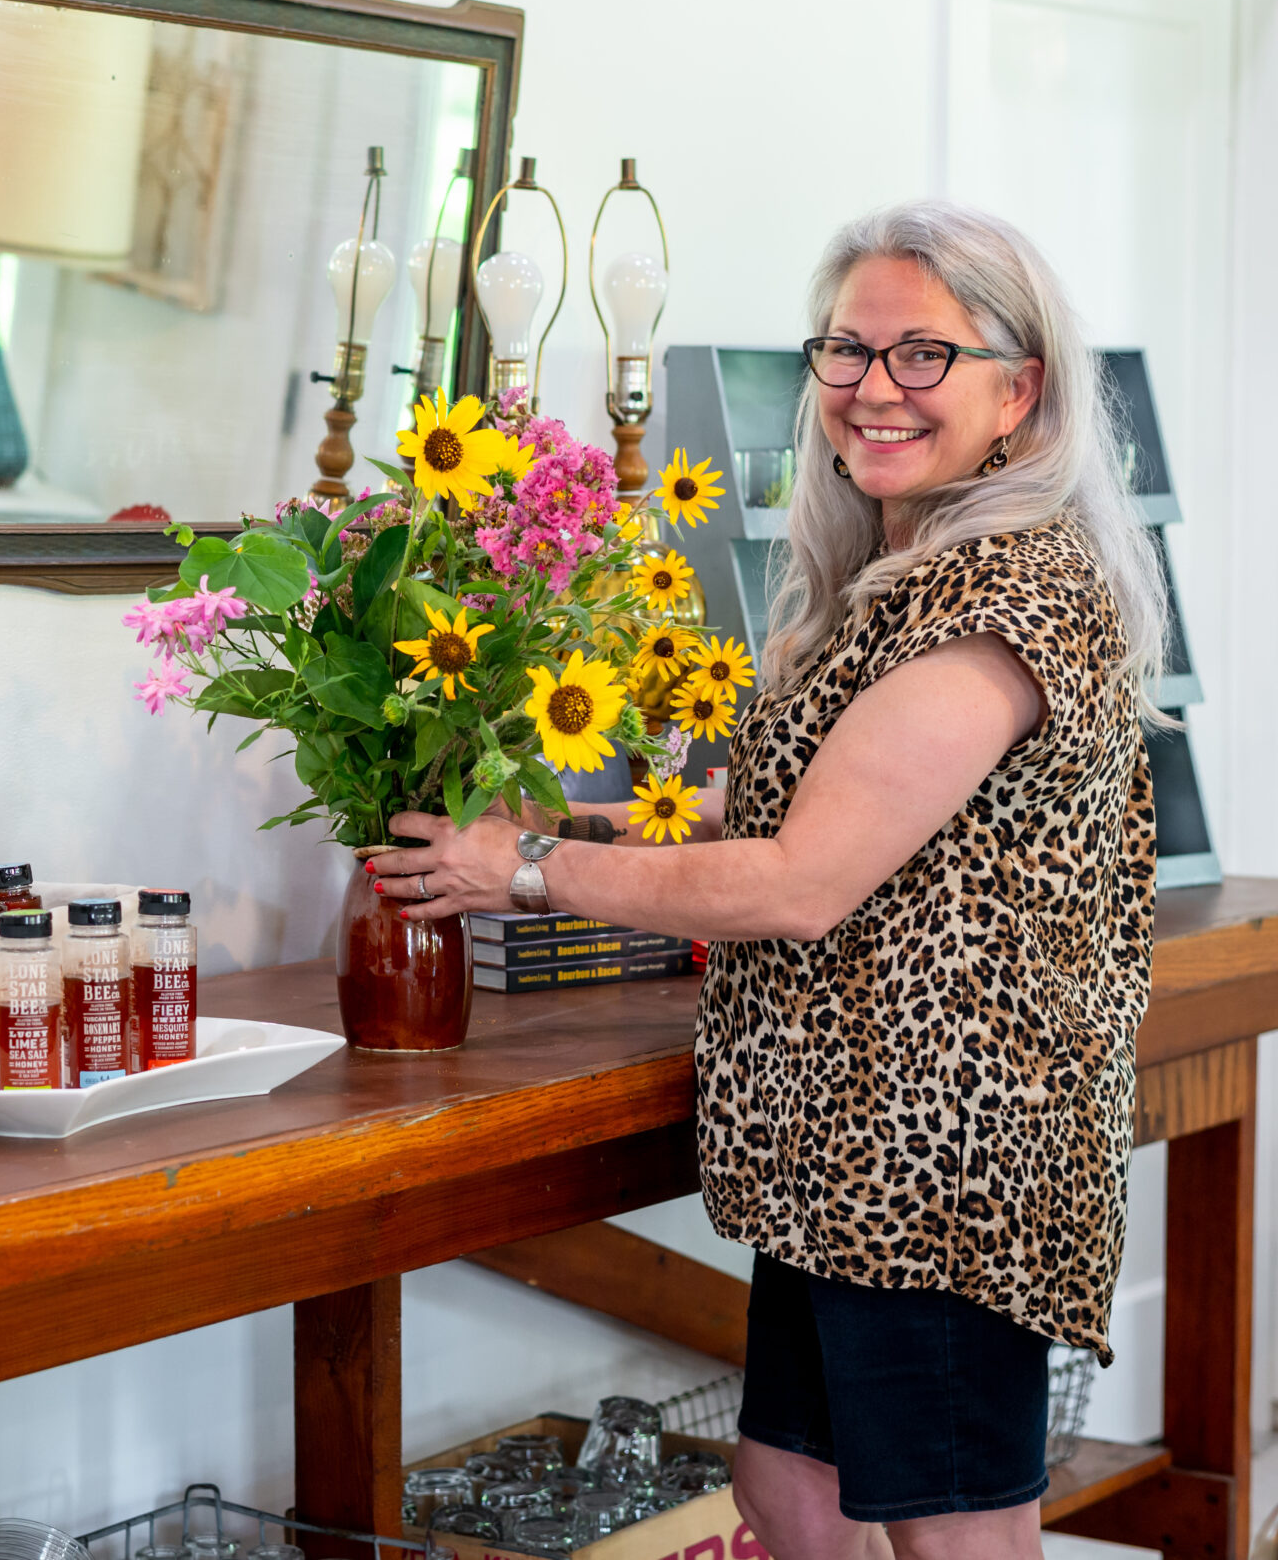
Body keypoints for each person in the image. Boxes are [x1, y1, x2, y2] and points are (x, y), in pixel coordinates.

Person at [370, 200, 1165, 1560]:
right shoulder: (905, 574)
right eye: (847, 350)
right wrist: (592, 813)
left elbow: (805, 879)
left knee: (957, 1530)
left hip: (941, 1166)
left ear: (1019, 394)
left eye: (924, 354)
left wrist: (539, 869)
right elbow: (818, 794)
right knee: (787, 1491)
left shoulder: (1003, 606)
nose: (872, 388)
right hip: (839, 1155)